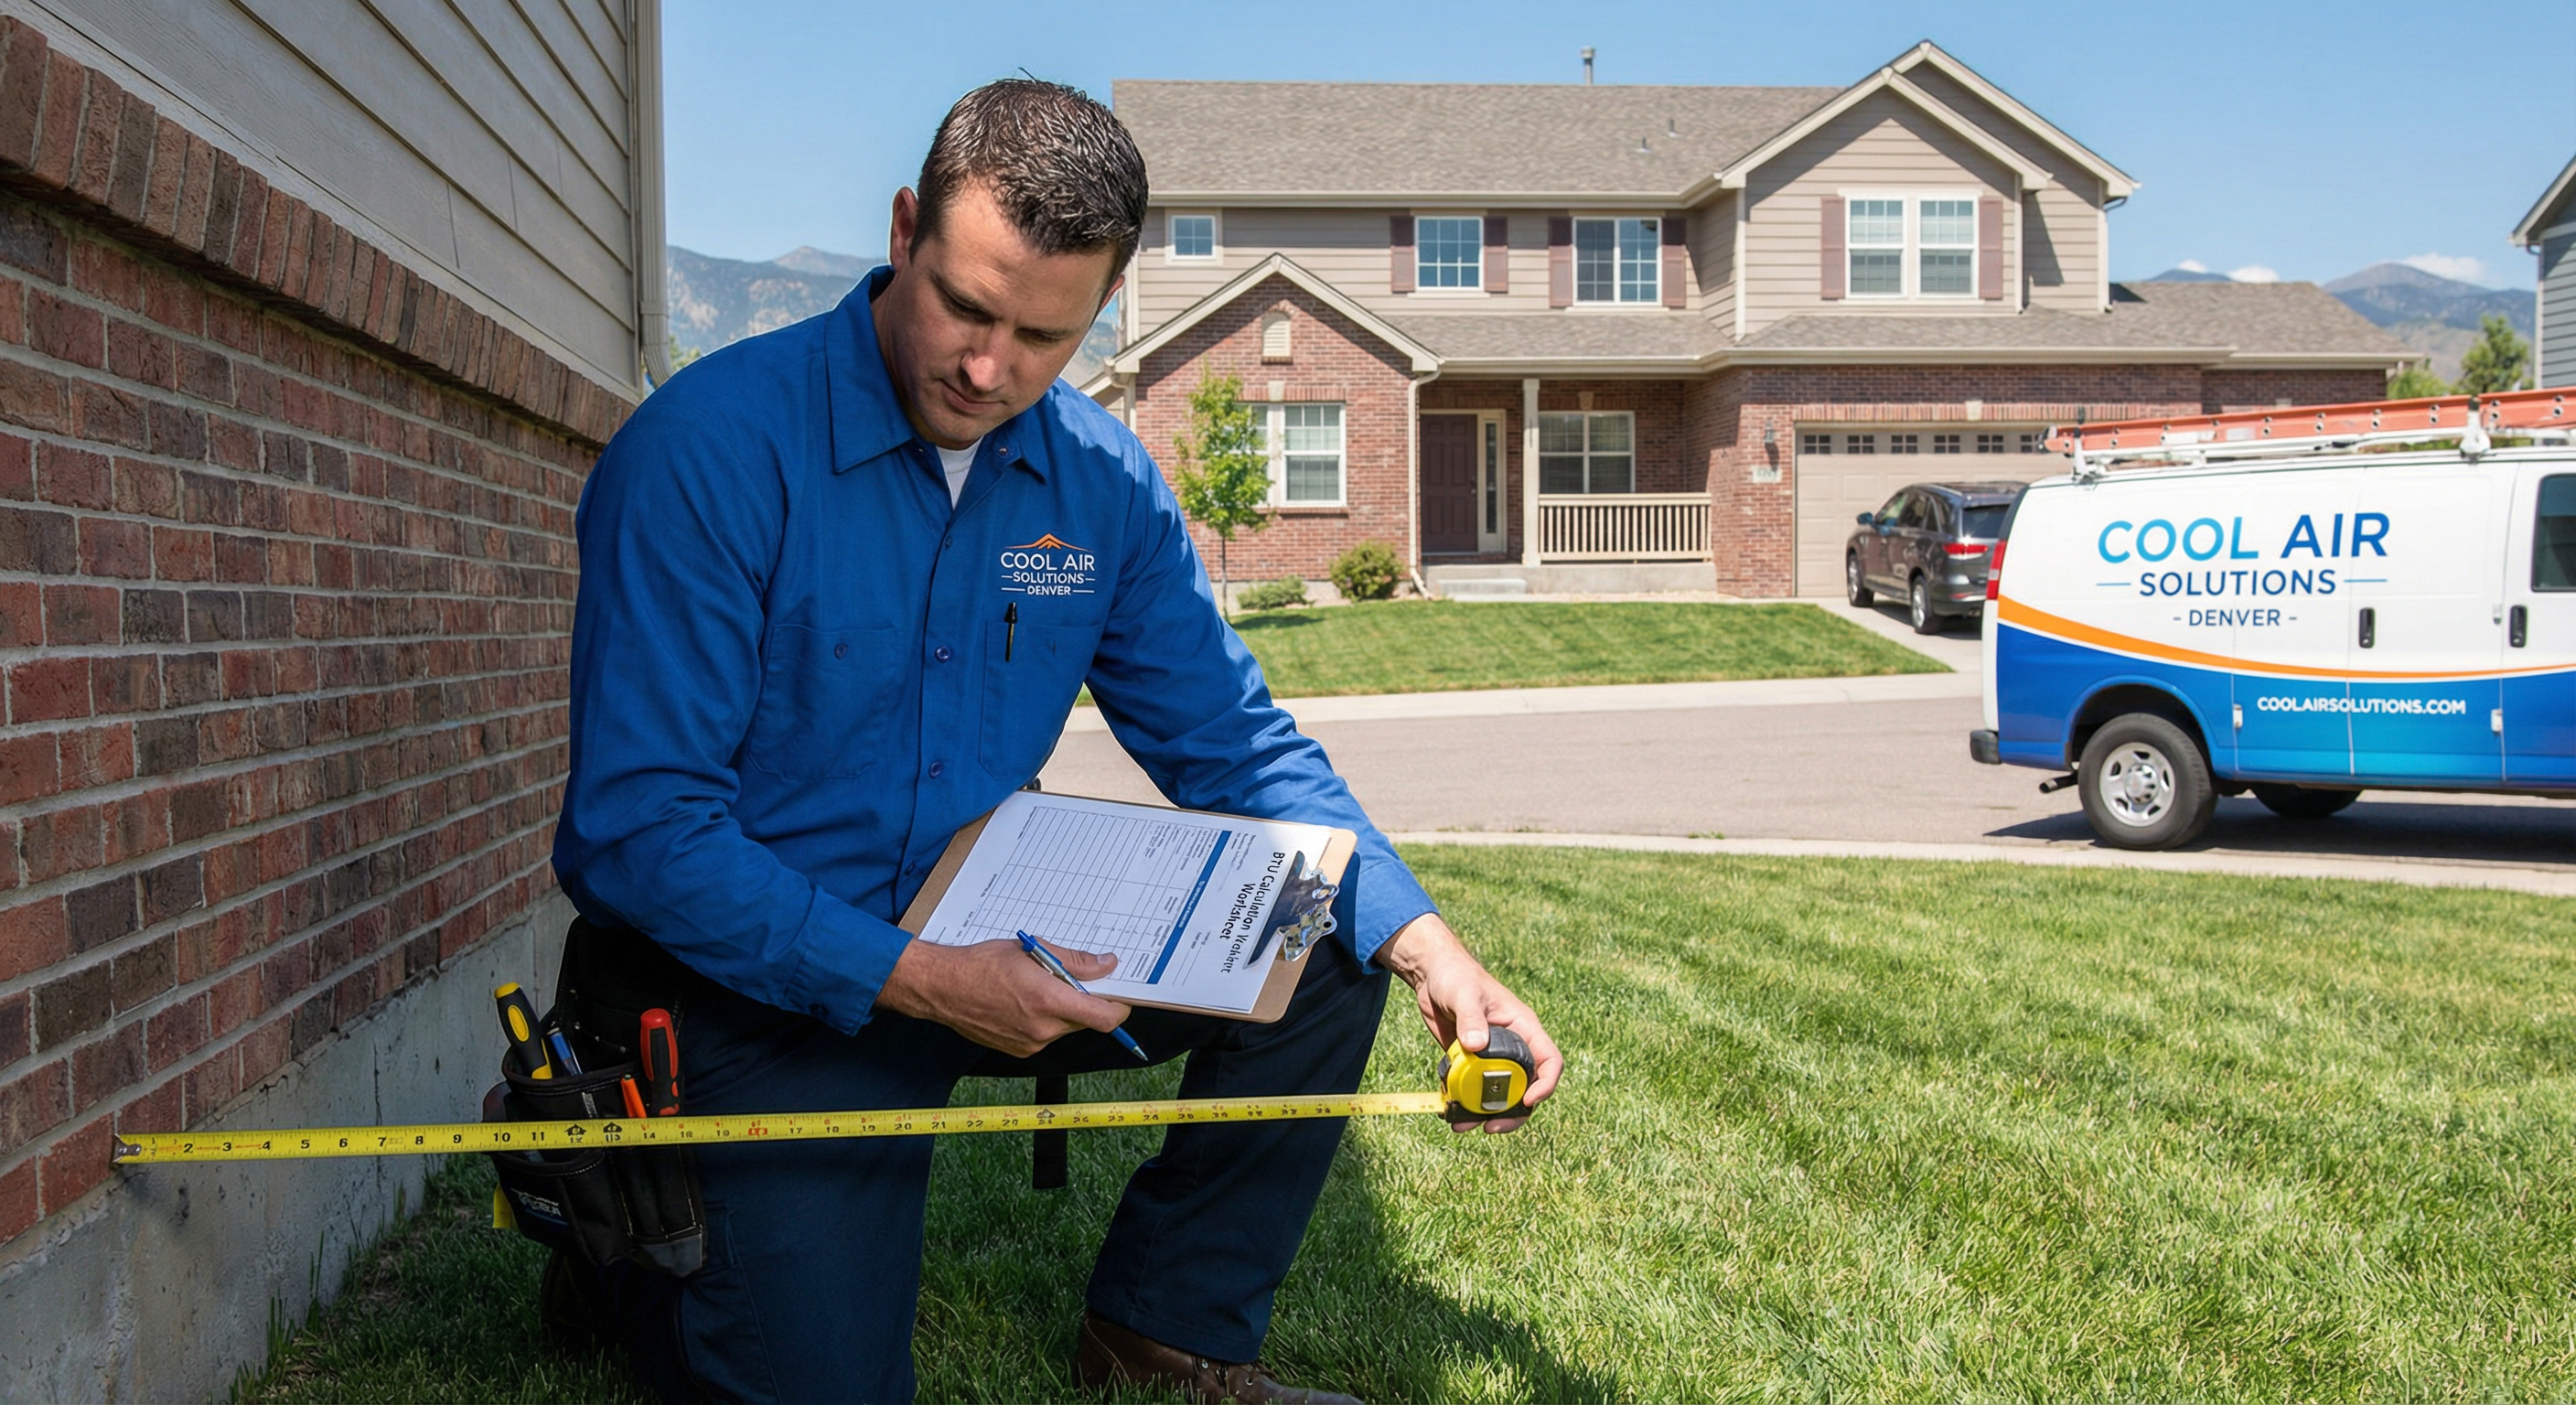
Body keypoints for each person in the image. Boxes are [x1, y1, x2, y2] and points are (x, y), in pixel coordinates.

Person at [552, 79, 1560, 1404]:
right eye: (966, 307)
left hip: (996, 919)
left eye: (1044, 336)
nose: (989, 368)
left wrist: (1430, 946)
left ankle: (1166, 1332)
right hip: (752, 983)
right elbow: (642, 834)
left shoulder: (1101, 481)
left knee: (1317, 931)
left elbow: (1237, 748)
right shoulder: (706, 454)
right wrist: (919, 979)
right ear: (907, 227)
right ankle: (623, 1251)